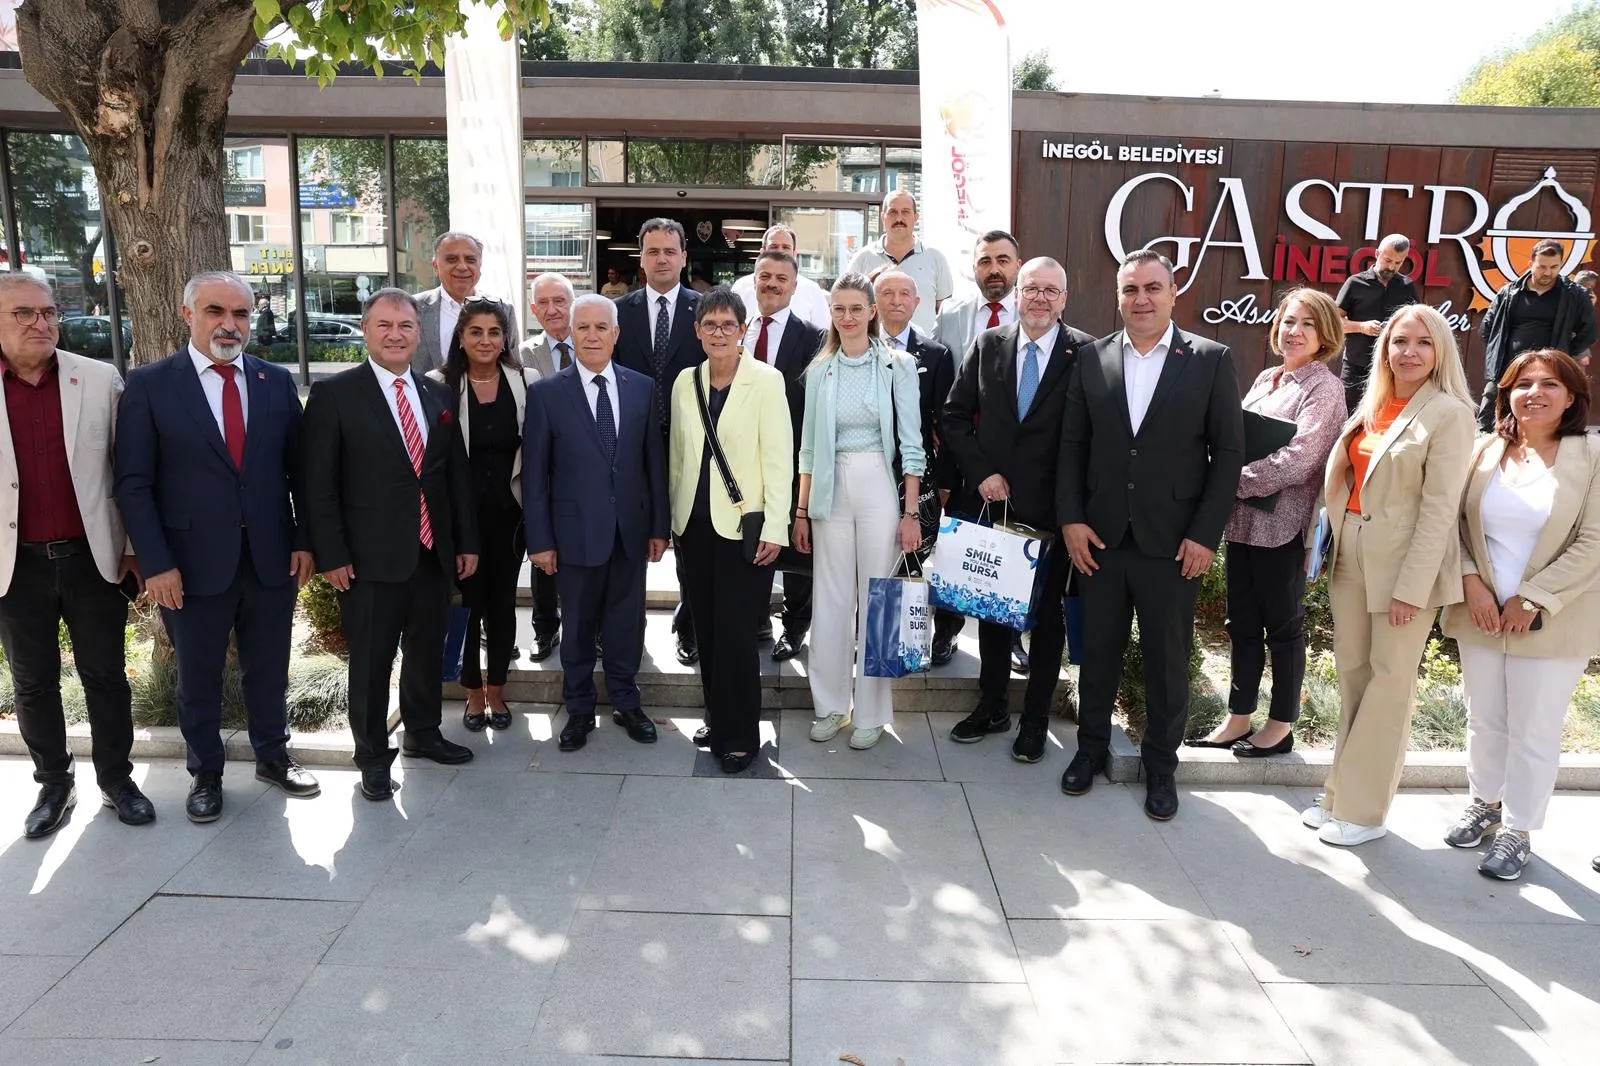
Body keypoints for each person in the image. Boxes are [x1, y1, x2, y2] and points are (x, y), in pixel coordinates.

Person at [114, 270, 319, 822]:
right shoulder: (151, 385)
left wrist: (305, 540)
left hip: (272, 558)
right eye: (215, 311)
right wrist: (157, 562)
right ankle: (205, 772)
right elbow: (133, 484)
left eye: (241, 313)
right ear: (188, 315)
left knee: (269, 667)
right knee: (198, 676)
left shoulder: (275, 381)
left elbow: (302, 472)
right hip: (189, 565)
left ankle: (273, 756)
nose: (230, 324)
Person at [1058, 250, 1245, 821]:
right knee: (1098, 653)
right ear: (1118, 296)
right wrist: (1071, 520)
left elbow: (1228, 453)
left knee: (1168, 660)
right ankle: (1090, 750)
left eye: (1152, 288)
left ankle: (1161, 767)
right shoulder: (1091, 358)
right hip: (1101, 539)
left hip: (1174, 543)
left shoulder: (1209, 359)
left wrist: (1205, 535)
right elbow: (1072, 445)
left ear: (1172, 293)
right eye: (1130, 289)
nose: (1141, 298)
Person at [1303, 304, 1475, 846]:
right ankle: (1338, 795)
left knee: (1388, 685)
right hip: (1351, 554)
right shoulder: (1374, 403)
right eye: (1400, 341)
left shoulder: (1449, 413)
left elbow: (1440, 510)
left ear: (1440, 351)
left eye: (1423, 342)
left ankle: (1365, 811)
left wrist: (1412, 589)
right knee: (1354, 675)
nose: (1410, 352)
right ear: (1384, 348)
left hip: (1405, 567)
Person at [302, 288, 480, 802]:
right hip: (366, 560)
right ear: (365, 330)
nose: (395, 335)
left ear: (418, 333)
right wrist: (332, 554)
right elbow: (318, 485)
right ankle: (373, 758)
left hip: (430, 553)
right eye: (384, 325)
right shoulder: (335, 395)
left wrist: (464, 541)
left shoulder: (437, 394)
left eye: (405, 326)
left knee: (425, 653)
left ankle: (423, 733)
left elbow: (453, 476)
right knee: (372, 663)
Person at [1440, 349, 1600, 880]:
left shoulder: (1591, 455)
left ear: (1572, 396)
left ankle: (1519, 829)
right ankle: (1485, 804)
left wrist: (1531, 598)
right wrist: (1471, 584)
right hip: (1482, 612)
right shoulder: (1485, 450)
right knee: (1485, 718)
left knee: (1534, 729)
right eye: (1523, 383)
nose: (1535, 393)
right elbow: (1456, 526)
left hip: (1553, 617)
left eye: (1549, 384)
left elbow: (1593, 541)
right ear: (1506, 393)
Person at [0, 274, 149, 839]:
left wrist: (132, 548)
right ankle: (54, 785)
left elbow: (129, 471)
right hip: (14, 565)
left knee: (106, 676)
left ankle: (117, 781)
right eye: (24, 313)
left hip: (93, 557)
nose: (41, 323)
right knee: (32, 682)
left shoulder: (99, 378)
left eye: (48, 312)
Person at [940, 258, 1092, 761]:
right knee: (993, 614)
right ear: (1017, 294)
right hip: (994, 507)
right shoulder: (988, 344)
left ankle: (1034, 719)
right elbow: (954, 415)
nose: (1040, 298)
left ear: (1064, 299)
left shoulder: (1086, 353)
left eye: (1051, 290)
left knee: (1047, 621)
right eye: (1032, 289)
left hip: (1053, 513)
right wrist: (981, 471)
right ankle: (992, 706)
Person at [1189, 288, 1347, 757]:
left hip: (1283, 527)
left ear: (1325, 334)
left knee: (1283, 627)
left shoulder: (1325, 388)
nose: (1294, 331)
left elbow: (1302, 458)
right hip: (1242, 522)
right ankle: (1238, 717)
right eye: (1288, 321)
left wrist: (1230, 481)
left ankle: (1280, 725)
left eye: (1307, 324)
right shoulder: (1267, 378)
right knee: (1240, 623)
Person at [524, 294, 669, 753]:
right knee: (578, 627)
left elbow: (653, 463)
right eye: (582, 327)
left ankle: (627, 702)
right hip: (574, 534)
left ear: (615, 333)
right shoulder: (547, 393)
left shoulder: (641, 387)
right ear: (571, 332)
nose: (591, 335)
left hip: (630, 532)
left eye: (601, 327)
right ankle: (580, 709)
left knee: (627, 624)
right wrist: (539, 540)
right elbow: (534, 475)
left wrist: (658, 527)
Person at [792, 272, 925, 750]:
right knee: (830, 600)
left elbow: (912, 443)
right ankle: (830, 706)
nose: (847, 317)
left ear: (872, 312)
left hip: (878, 485)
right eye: (839, 309)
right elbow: (808, 447)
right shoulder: (820, 370)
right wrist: (801, 511)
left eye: (855, 308)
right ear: (830, 313)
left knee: (879, 599)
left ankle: (872, 712)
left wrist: (911, 513)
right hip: (830, 487)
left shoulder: (897, 365)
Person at [670, 288, 792, 772]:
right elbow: (677, 457)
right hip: (693, 526)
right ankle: (718, 718)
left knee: (738, 634)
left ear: (743, 330)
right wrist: (672, 520)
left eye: (728, 325)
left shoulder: (766, 380)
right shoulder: (685, 381)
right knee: (706, 628)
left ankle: (741, 734)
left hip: (746, 528)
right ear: (697, 330)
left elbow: (779, 458)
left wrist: (777, 526)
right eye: (709, 324)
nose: (718, 333)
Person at [427, 299, 540, 732]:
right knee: (467, 607)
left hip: (509, 517)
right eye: (476, 331)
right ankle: (472, 692)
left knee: (503, 605)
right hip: (460, 519)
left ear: (505, 338)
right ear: (461, 337)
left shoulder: (525, 380)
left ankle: (497, 689)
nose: (486, 340)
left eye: (495, 332)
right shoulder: (438, 384)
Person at [613, 218, 706, 665]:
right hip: (630, 449)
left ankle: (689, 628)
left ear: (684, 257)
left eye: (670, 251)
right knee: (630, 544)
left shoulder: (705, 310)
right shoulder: (618, 312)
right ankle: (626, 633)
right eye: (653, 251)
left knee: (691, 544)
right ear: (642, 258)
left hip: (692, 447)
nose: (662, 259)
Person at [933, 230, 1027, 672]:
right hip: (958, 451)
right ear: (973, 267)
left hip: (1011, 459)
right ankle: (946, 631)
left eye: (1003, 260)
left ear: (1017, 266)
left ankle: (1011, 638)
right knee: (955, 543)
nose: (994, 269)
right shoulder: (952, 314)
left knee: (1008, 549)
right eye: (985, 261)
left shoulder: (1034, 313)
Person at [743, 249, 825, 659]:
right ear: (754, 281)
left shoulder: (814, 338)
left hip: (793, 462)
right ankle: (756, 618)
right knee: (752, 543)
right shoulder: (735, 331)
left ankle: (794, 627)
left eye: (781, 278)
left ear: (794, 287)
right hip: (741, 466)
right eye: (765, 276)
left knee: (797, 547)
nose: (772, 284)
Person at [517, 271, 579, 661]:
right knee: (543, 555)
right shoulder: (522, 355)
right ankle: (544, 629)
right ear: (533, 309)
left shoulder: (593, 342)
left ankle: (589, 629)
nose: (553, 309)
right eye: (544, 303)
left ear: (573, 303)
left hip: (587, 473)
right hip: (543, 472)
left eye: (560, 301)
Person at [1476, 239, 1598, 430]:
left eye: (1554, 267)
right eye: (1542, 266)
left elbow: (1588, 331)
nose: (1547, 272)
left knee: (1547, 421)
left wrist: (1564, 354)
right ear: (1531, 263)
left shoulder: (1575, 294)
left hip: (1551, 369)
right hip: (1508, 367)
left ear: (1561, 264)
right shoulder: (1509, 292)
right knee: (1488, 420)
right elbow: (1487, 328)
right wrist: (1499, 352)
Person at [844, 191, 954, 335]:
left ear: (916, 217)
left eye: (905, 212)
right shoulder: (862, 259)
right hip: (874, 346)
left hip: (923, 346)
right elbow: (848, 307)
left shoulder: (935, 258)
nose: (899, 218)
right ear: (882, 217)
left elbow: (945, 313)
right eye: (893, 212)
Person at [411, 231, 515, 374]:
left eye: (470, 260)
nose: (462, 267)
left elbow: (512, 367)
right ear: (435, 266)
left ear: (480, 266)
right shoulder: (413, 309)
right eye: (452, 259)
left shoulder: (504, 310)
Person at [1335, 234, 1418, 413]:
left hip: (1392, 368)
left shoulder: (1407, 286)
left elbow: (1417, 325)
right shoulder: (1355, 283)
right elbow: (1333, 322)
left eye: (1398, 263)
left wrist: (1396, 329)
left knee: (1385, 418)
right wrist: (1361, 327)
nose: (1391, 267)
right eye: (1388, 260)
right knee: (1346, 415)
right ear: (1377, 254)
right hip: (1356, 365)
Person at [731, 224, 831, 330]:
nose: (780, 251)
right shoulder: (741, 287)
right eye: (773, 247)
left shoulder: (812, 291)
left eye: (786, 247)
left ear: (794, 254)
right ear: (762, 252)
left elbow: (823, 334)